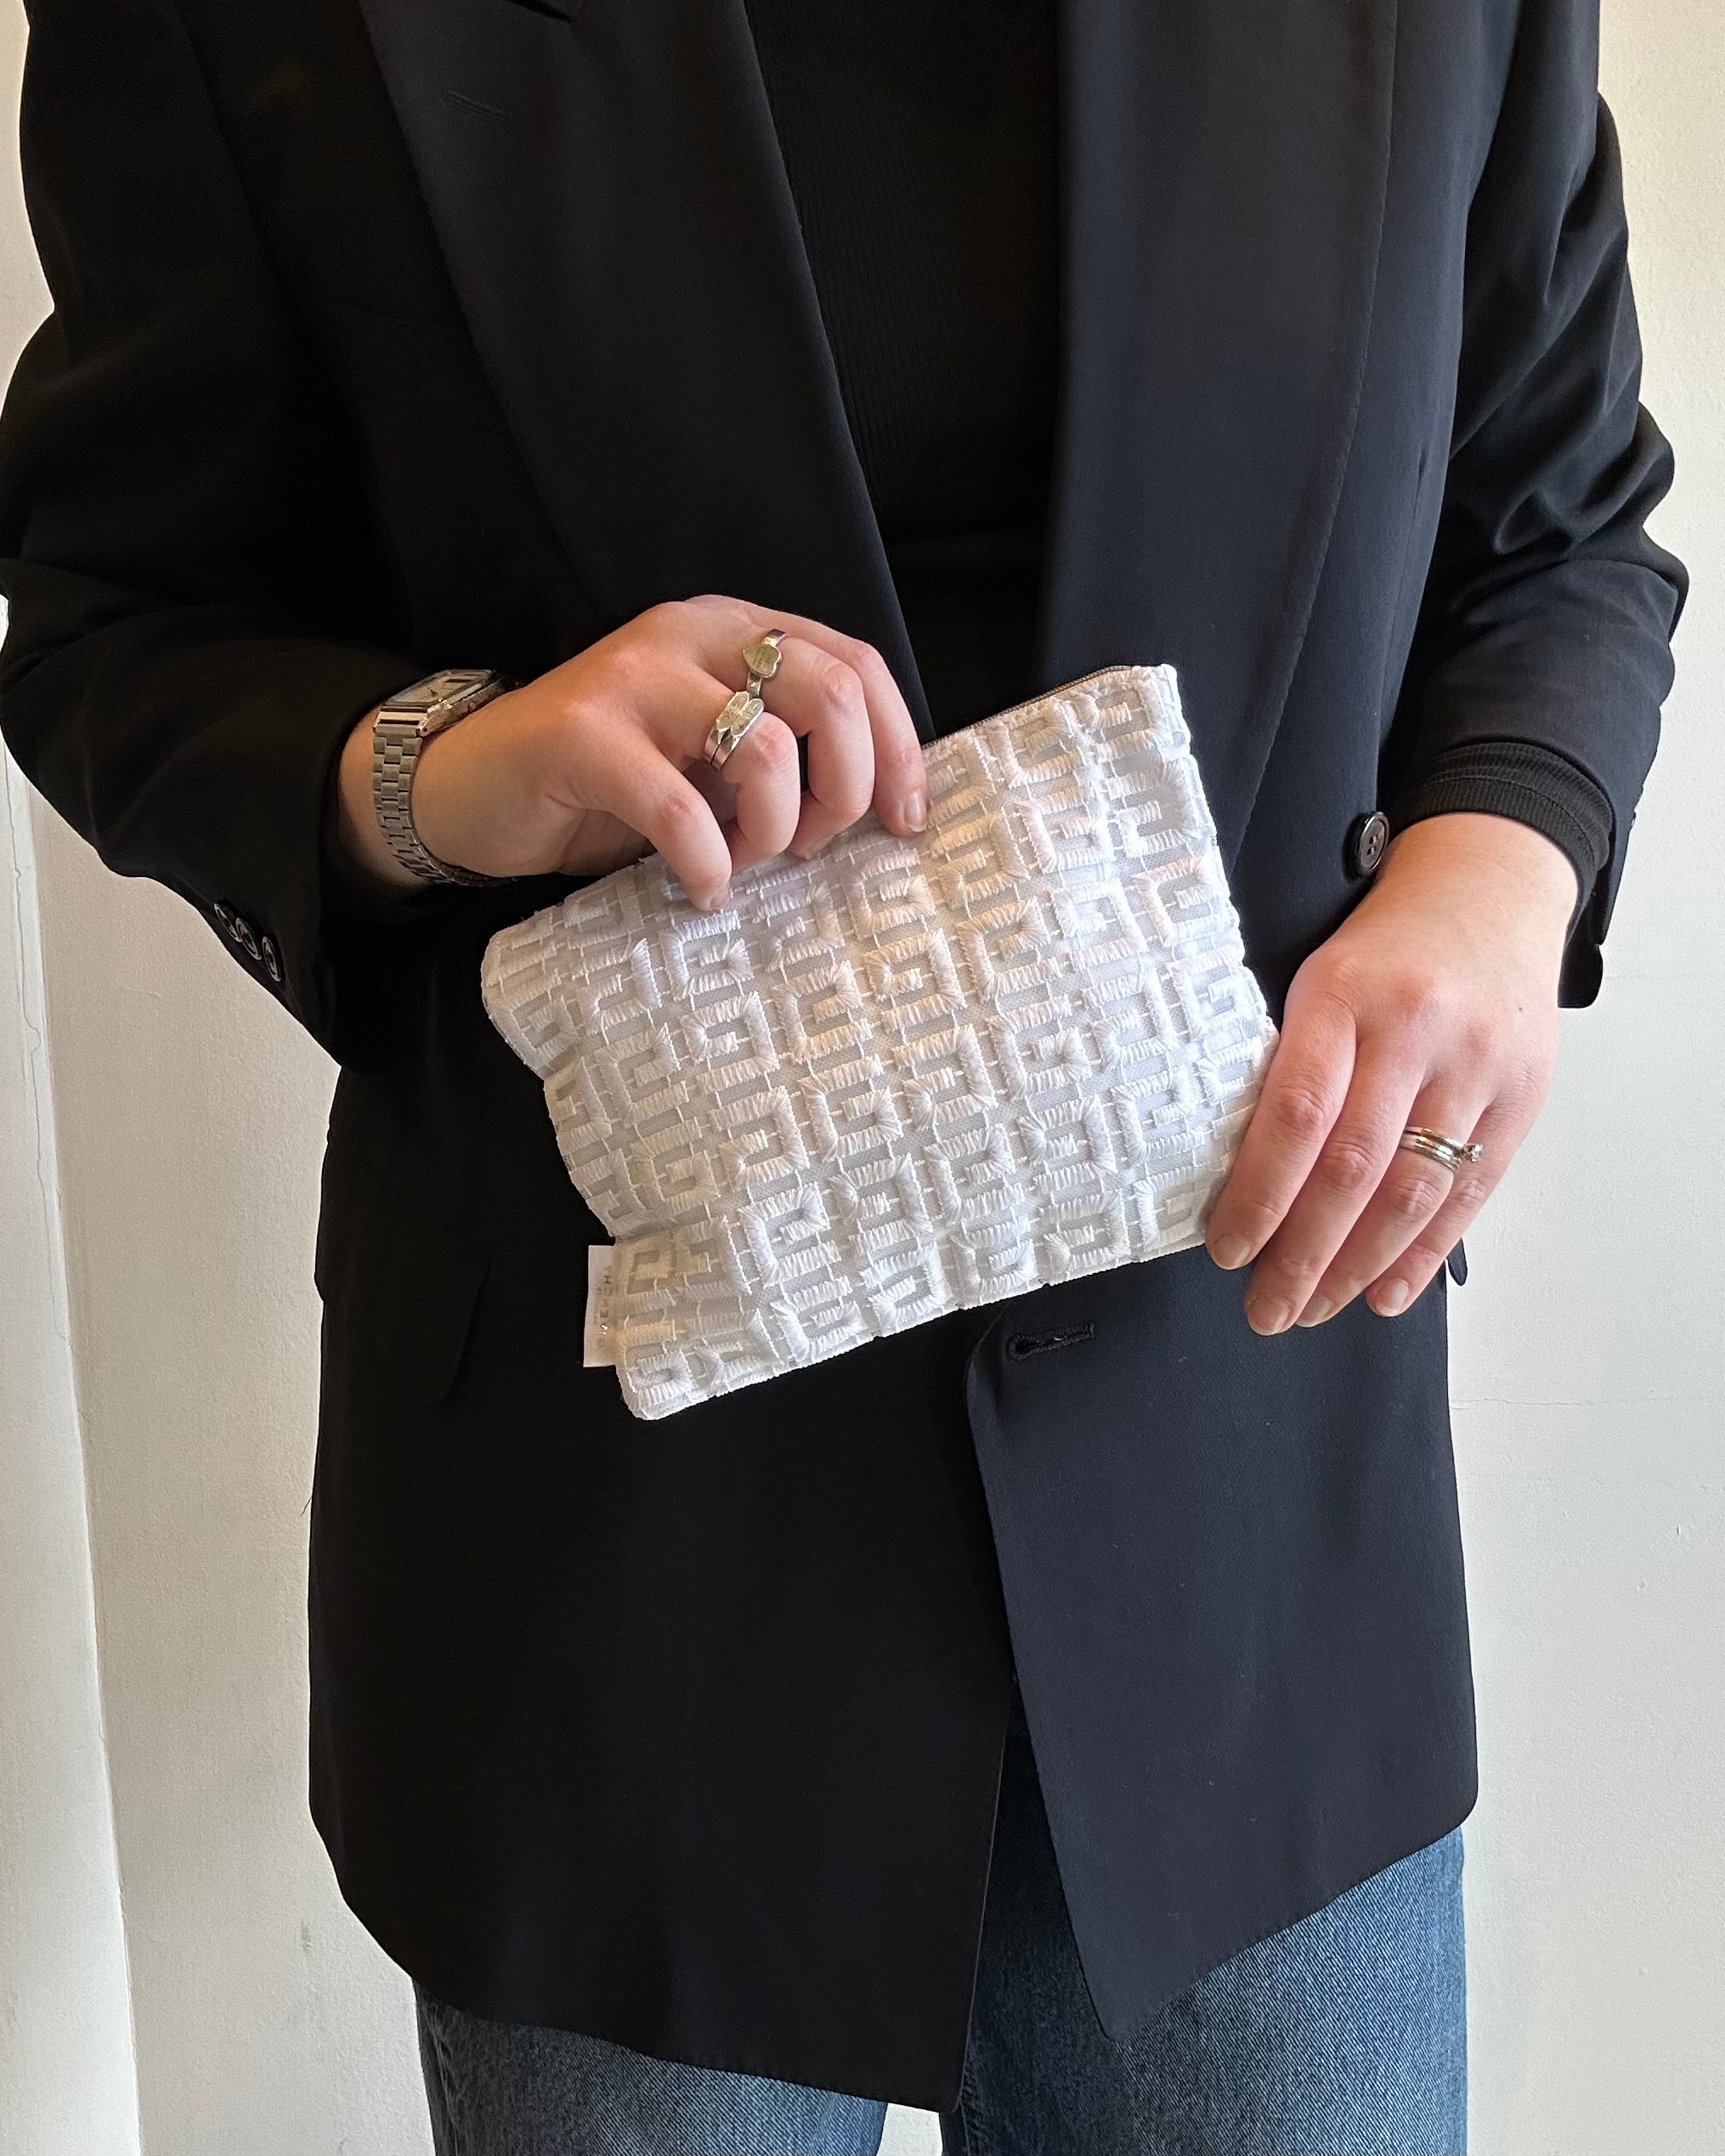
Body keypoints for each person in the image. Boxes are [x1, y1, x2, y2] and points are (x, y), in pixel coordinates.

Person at [0, 0, 1683, 2150]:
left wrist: (1500, 865)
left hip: (1250, 1510)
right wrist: (445, 765)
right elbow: (117, 618)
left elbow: (1556, 516)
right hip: (613, 1561)